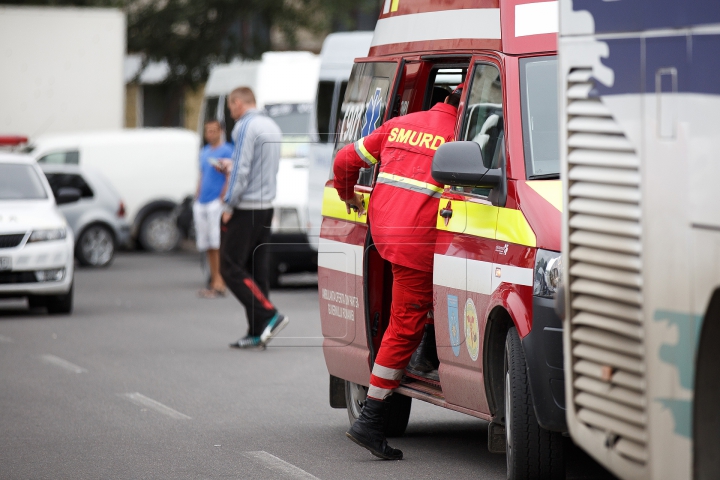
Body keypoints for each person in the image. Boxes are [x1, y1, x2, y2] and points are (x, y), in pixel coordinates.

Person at [333, 88, 462, 460]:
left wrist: (349, 197)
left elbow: (344, 160)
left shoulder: (399, 126)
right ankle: (371, 420)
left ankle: (425, 349)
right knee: (403, 324)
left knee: (419, 304)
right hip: (417, 243)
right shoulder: (459, 137)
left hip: (385, 234)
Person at [216, 86, 289, 349]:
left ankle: (269, 314)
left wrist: (228, 205)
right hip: (265, 205)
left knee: (230, 267)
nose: (230, 111)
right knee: (256, 270)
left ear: (238, 102)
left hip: (245, 207)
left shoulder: (245, 126)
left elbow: (242, 171)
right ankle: (258, 332)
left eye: (230, 104)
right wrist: (232, 165)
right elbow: (262, 166)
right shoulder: (271, 125)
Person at [193, 120, 233, 298]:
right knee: (207, 243)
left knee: (217, 242)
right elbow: (202, 174)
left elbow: (230, 174)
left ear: (220, 132)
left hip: (216, 202)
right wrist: (197, 193)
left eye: (213, 131)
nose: (209, 134)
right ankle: (213, 278)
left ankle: (220, 281)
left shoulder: (227, 151)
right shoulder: (204, 152)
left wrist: (224, 194)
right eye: (207, 131)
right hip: (202, 201)